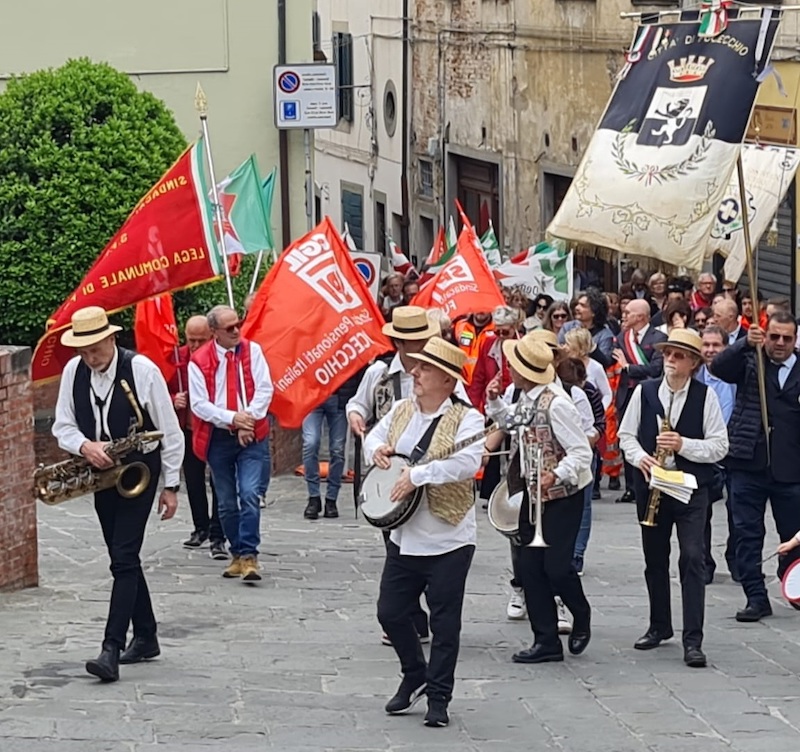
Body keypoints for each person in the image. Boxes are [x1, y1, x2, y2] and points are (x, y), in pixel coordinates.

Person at [52, 306, 184, 682]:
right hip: (101, 472)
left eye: (95, 348)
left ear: (111, 338)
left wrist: (170, 486)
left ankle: (111, 647)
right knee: (120, 555)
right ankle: (146, 635)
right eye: (83, 350)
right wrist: (84, 446)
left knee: (124, 556)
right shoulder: (73, 372)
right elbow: (63, 424)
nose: (89, 357)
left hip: (139, 469)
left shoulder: (142, 370)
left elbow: (170, 433)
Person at [365, 337, 484, 728]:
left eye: (425, 369)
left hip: (449, 537)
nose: (414, 373)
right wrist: (377, 452)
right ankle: (414, 671)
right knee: (390, 611)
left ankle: (439, 697)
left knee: (445, 621)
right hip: (405, 535)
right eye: (416, 367)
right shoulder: (402, 410)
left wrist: (419, 475)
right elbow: (373, 437)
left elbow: (467, 463)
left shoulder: (469, 419)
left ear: (448, 381)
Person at [348, 306, 467, 645]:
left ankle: (429, 610)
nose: (417, 348)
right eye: (410, 341)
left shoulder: (442, 371)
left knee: (430, 550)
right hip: (391, 475)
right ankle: (408, 617)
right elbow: (359, 404)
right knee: (396, 547)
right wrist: (357, 419)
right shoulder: (379, 372)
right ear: (398, 341)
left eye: (422, 339)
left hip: (433, 477)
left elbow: (465, 415)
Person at [619, 328, 728, 668]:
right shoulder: (645, 392)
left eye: (679, 355)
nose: (670, 359)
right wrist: (641, 459)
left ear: (694, 363)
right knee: (654, 558)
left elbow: (719, 446)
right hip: (652, 486)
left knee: (692, 558)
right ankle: (659, 625)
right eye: (667, 353)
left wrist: (684, 445)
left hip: (690, 489)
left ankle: (693, 639)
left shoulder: (705, 396)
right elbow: (626, 435)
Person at [485, 336, 594, 665]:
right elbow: (511, 423)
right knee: (530, 568)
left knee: (557, 568)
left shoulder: (557, 403)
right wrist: (495, 404)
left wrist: (556, 474)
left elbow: (581, 452)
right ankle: (545, 639)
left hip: (562, 495)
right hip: (534, 495)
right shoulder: (527, 397)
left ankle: (581, 613)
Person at [710, 311, 800, 621]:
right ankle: (755, 595)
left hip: (791, 468)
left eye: (787, 338)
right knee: (746, 533)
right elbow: (718, 367)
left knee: (794, 535)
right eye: (774, 336)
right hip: (748, 462)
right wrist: (745, 344)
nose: (779, 343)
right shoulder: (751, 361)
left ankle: (793, 585)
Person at [188, 305, 274, 583]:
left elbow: (265, 389)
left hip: (251, 435)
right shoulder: (198, 361)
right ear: (214, 332)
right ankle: (237, 553)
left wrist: (246, 420)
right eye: (229, 328)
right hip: (218, 438)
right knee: (225, 502)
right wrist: (232, 420)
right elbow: (200, 405)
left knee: (249, 493)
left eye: (238, 324)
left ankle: (249, 554)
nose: (236, 330)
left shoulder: (254, 351)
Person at [169, 316, 227, 560]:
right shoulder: (176, 358)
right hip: (189, 430)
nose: (193, 345)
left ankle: (218, 534)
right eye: (190, 340)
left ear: (212, 335)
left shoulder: (220, 357)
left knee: (219, 483)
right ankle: (200, 527)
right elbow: (162, 389)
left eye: (199, 340)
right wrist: (174, 400)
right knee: (193, 480)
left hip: (214, 430)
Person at [612, 299, 667, 503]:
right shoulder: (622, 337)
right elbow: (610, 359)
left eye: (628, 312)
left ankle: (651, 480)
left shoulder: (659, 337)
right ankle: (631, 488)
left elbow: (655, 369)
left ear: (641, 316)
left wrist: (628, 367)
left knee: (647, 437)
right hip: (626, 394)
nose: (624, 315)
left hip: (648, 396)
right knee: (628, 438)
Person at [697, 325, 737, 584]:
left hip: (733, 454)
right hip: (702, 454)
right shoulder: (694, 376)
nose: (711, 350)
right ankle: (704, 563)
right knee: (701, 515)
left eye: (716, 345)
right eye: (707, 345)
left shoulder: (735, 376)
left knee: (738, 513)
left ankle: (737, 560)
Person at [301, 383, 348, 520]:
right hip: (312, 397)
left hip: (340, 397)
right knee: (310, 443)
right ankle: (313, 497)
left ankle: (331, 499)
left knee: (338, 449)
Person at [559, 288, 616, 367]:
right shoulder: (567, 327)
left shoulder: (605, 335)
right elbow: (559, 351)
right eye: (577, 304)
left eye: (583, 306)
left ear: (594, 312)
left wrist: (591, 346)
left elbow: (605, 362)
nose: (577, 308)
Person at [453, 311, 494, 383]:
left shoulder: (497, 330)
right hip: (461, 381)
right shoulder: (460, 325)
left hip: (484, 383)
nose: (481, 310)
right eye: (478, 306)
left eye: (484, 307)